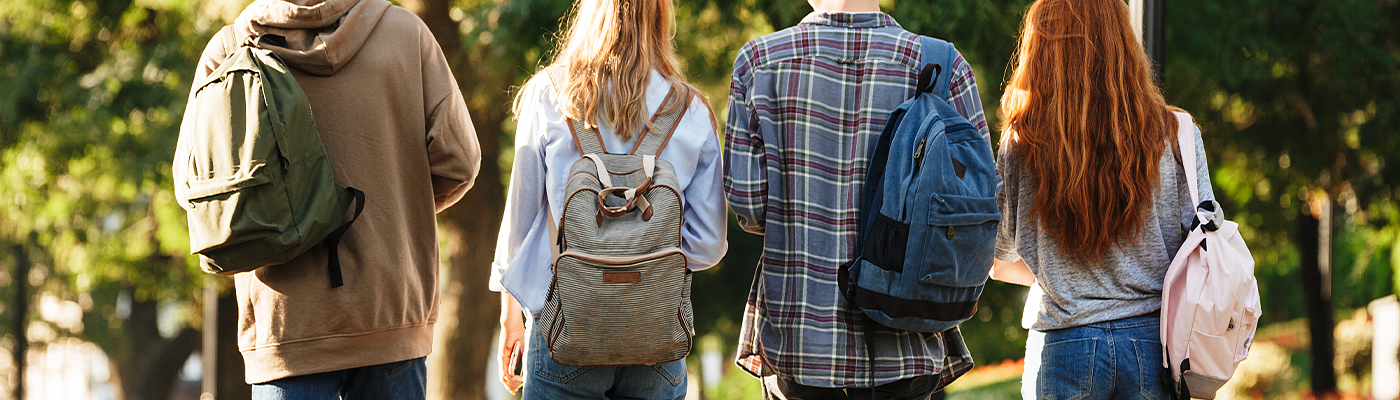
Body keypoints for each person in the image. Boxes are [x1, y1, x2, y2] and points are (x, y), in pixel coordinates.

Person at [193, 0, 481, 397]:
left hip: (285, 326)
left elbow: (194, 187)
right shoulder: (406, 35)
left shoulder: (229, 51)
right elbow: (460, 162)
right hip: (391, 312)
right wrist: (397, 206)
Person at [723, 0, 988, 397]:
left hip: (800, 346)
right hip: (906, 342)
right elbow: (979, 208)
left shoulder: (760, 63)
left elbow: (750, 205)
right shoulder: (941, 65)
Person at [488, 0, 729, 397]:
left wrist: (510, 315)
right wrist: (643, 258)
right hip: (657, 334)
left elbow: (520, 222)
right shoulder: (693, 111)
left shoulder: (550, 96)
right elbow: (707, 247)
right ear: (660, 15)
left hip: (566, 328)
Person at [987, 0, 1217, 399]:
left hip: (1062, 348)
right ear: (1124, 41)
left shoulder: (1023, 142)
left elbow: (997, 261)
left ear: (1041, 50)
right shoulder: (1176, 135)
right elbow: (1202, 250)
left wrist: (1058, 277)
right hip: (1152, 349)